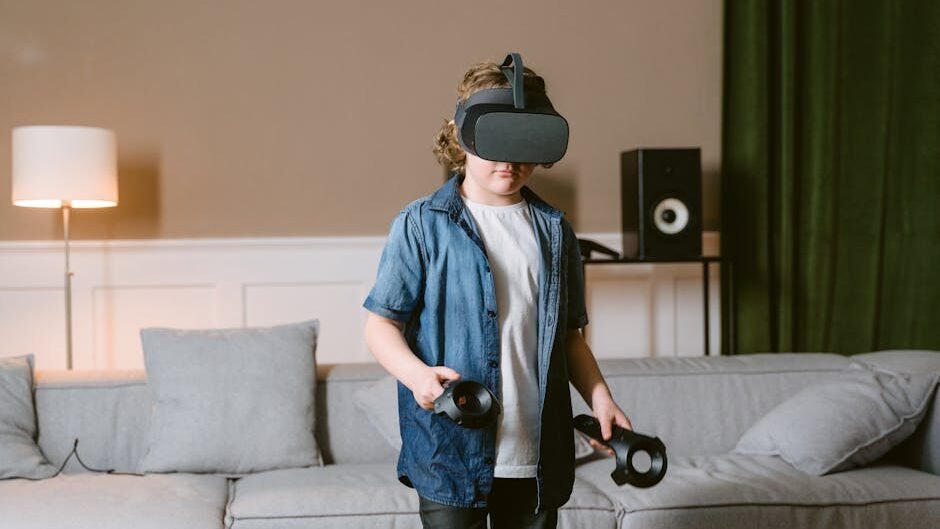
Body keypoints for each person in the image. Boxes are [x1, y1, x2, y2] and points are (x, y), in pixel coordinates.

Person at [363, 56, 632, 529]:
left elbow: (570, 336)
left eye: (523, 142)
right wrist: (418, 377)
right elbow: (381, 325)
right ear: (462, 138)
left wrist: (601, 398)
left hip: (535, 456)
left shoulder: (555, 232)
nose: (509, 160)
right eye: (495, 142)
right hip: (451, 452)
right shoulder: (421, 225)